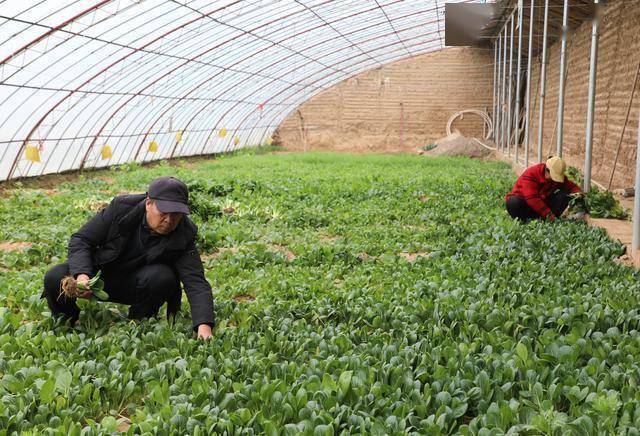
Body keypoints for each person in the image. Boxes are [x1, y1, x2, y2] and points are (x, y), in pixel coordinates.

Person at [42, 176, 215, 339]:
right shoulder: (121, 208)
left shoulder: (183, 233)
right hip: (100, 276)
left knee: (163, 277)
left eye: (176, 214)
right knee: (55, 277)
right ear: (148, 204)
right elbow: (82, 239)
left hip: (137, 284)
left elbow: (195, 281)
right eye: (163, 212)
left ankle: (138, 320)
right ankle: (67, 321)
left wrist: (204, 326)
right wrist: (82, 275)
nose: (169, 220)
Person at [506, 156, 582, 222]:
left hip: (543, 204)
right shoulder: (531, 173)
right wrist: (549, 215)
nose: (554, 179)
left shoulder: (557, 179)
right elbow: (532, 199)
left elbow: (572, 187)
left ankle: (541, 218)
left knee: (565, 195)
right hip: (525, 205)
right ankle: (524, 219)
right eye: (554, 176)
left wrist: (579, 195)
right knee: (513, 202)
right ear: (547, 170)